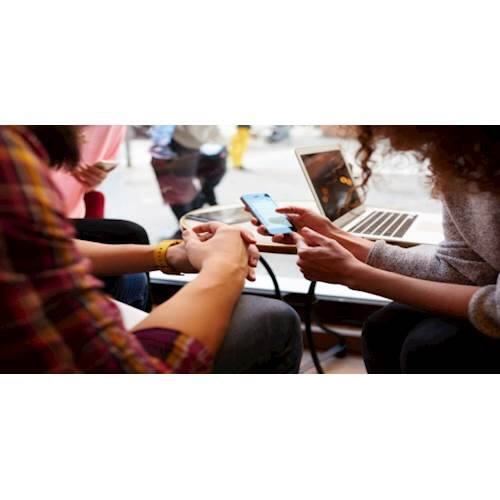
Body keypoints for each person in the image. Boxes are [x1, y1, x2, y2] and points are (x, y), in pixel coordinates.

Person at [0, 125, 302, 374]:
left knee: (128, 240)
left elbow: (37, 249)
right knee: (275, 317)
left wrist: (169, 255)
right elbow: (130, 371)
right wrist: (225, 268)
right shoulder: (10, 152)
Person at [253, 126, 500, 373]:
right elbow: (463, 269)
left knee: (430, 349)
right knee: (383, 328)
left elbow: (495, 307)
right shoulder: (459, 160)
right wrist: (335, 236)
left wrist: (354, 275)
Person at [50, 125, 151, 311]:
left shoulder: (113, 126)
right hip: (38, 218)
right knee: (131, 234)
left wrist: (93, 180)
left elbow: (85, 186)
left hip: (71, 217)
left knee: (134, 276)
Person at [150, 125, 227, 224]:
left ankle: (191, 222)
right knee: (179, 193)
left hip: (191, 145)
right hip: (182, 146)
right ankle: (189, 224)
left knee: (183, 192)